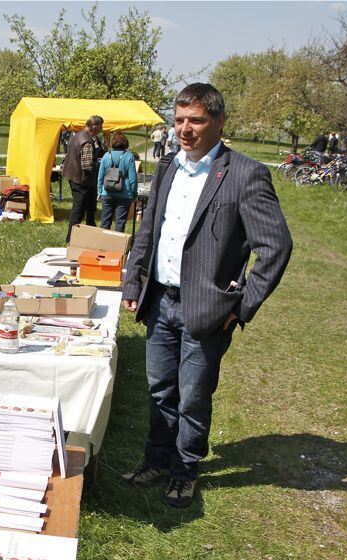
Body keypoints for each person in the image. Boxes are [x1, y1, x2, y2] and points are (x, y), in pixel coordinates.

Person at [120, 83, 293, 508]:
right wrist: (133, 280)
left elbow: (276, 245)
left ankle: (185, 470)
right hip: (159, 300)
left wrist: (241, 304)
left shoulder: (245, 174)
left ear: (217, 122)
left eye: (195, 120)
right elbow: (149, 230)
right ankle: (157, 460)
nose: (185, 129)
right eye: (178, 120)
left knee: (193, 395)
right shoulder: (167, 168)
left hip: (208, 308)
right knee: (160, 389)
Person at [61, 114, 104, 242]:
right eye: (100, 127)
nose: (101, 129)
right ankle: (71, 239)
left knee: (89, 208)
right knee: (78, 210)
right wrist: (99, 164)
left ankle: (90, 235)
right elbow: (87, 166)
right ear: (94, 126)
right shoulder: (87, 141)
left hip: (73, 176)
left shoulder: (77, 135)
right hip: (81, 180)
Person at [96, 131, 138, 233]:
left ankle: (102, 244)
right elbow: (133, 179)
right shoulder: (129, 156)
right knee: (120, 222)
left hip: (107, 192)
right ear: (125, 143)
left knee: (105, 222)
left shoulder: (106, 155)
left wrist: (100, 191)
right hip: (124, 194)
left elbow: (100, 176)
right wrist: (134, 194)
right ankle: (117, 246)